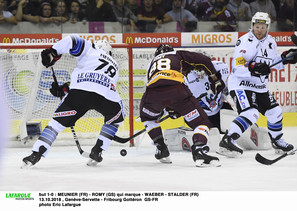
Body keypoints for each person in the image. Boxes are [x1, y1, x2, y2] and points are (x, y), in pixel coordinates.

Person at [22, 35, 125, 167]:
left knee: (55, 124)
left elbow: (72, 40)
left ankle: (36, 153)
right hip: (107, 97)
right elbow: (97, 82)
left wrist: (53, 53)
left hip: (79, 94)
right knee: (116, 118)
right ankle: (98, 150)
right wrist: (64, 89)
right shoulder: (114, 65)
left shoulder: (91, 48)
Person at [217, 12, 297, 158]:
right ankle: (227, 140)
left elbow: (271, 63)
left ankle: (277, 141)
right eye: (257, 26)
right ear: (252, 26)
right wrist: (253, 67)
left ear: (267, 28)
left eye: (262, 27)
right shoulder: (245, 41)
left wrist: (286, 57)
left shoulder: (271, 42)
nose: (259, 30)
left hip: (259, 87)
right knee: (250, 113)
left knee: (275, 112)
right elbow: (237, 66)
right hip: (241, 85)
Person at [139, 44, 225, 167]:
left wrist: (170, 108)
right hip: (177, 91)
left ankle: (161, 148)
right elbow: (204, 59)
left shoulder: (152, 64)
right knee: (201, 123)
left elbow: (160, 88)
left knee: (148, 118)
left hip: (152, 95)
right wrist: (215, 79)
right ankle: (199, 151)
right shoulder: (177, 54)